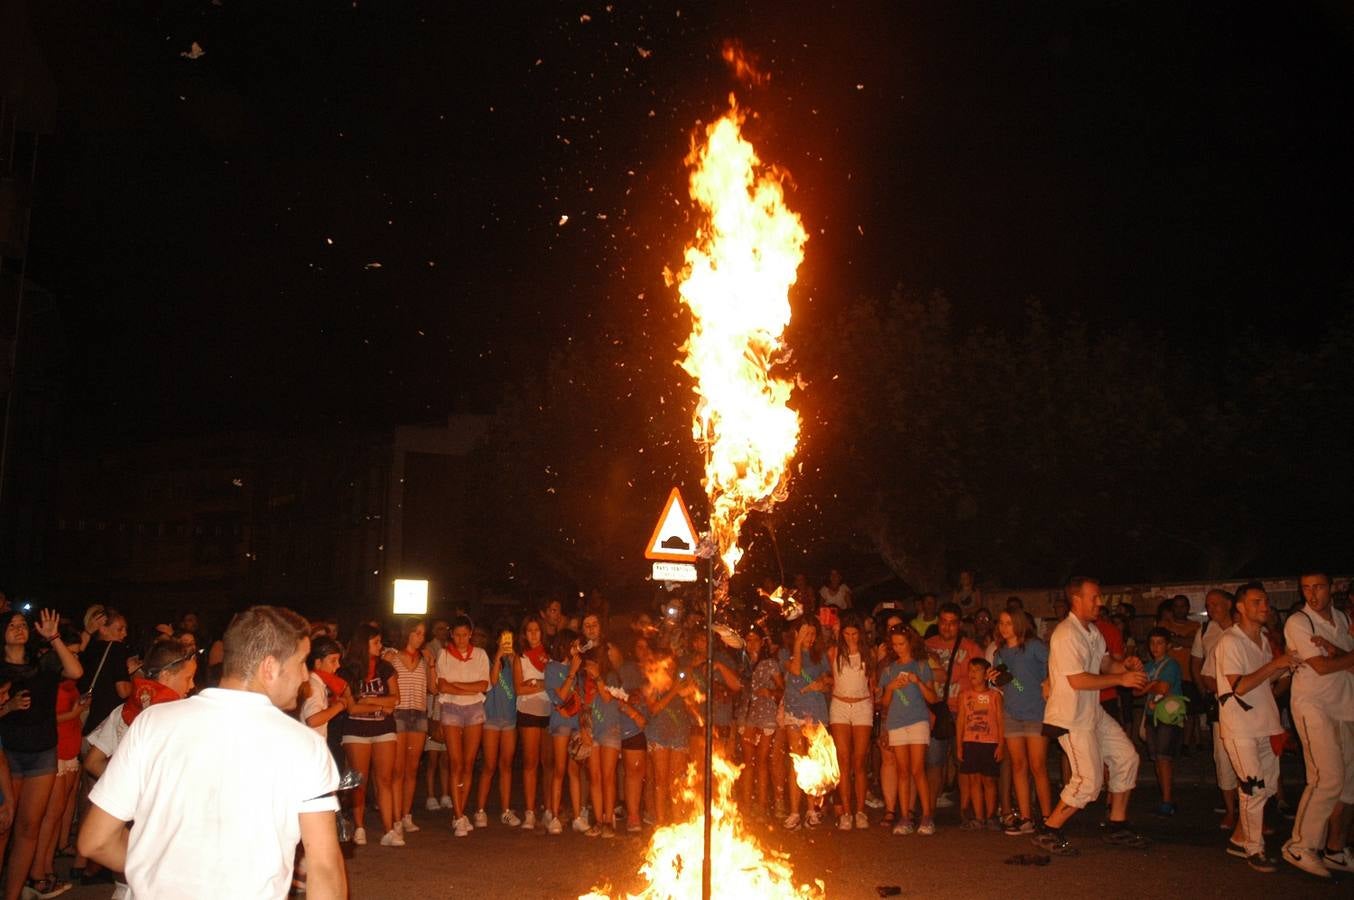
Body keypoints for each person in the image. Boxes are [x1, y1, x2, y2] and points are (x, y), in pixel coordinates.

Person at [78, 607, 342, 900]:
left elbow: (95, 841)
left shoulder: (152, 723)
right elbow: (324, 868)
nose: (306, 676)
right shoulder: (304, 746)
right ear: (269, 667)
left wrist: (161, 873)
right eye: (302, 662)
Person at [1032, 577, 1149, 857]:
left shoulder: (1092, 632)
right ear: (1077, 599)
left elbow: (1103, 662)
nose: (1100, 603)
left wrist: (1124, 666)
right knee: (1089, 780)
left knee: (1127, 758)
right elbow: (1078, 680)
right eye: (1094, 598)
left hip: (1091, 711)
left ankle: (1117, 825)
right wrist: (1121, 678)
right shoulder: (1065, 634)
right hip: (1070, 717)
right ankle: (1049, 830)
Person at [1211, 583, 1301, 872]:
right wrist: (1276, 664)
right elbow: (1240, 685)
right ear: (1240, 607)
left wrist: (1288, 666)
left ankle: (1240, 839)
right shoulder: (1230, 642)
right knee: (1253, 788)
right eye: (1257, 602)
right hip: (1241, 727)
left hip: (1265, 724)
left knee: (1264, 789)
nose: (1265, 607)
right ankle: (1253, 849)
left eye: (1266, 601)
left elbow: (1266, 682)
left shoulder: (1262, 638)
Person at [0, 610, 83, 900]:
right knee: (4, 827)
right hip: (7, 754)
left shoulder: (43, 662)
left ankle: (12, 895)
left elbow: (75, 672)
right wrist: (8, 708)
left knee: (28, 828)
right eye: (12, 625)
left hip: (42, 752)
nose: (19, 629)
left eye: (22, 624)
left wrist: (55, 637)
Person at [1281, 571, 1354, 877]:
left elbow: (1343, 662)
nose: (1312, 594)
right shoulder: (1300, 621)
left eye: (1319, 587)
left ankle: (1335, 850)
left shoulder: (1342, 619)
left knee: (1348, 784)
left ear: (1332, 588)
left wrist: (1342, 653)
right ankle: (1300, 845)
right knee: (1329, 777)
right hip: (1313, 706)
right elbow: (1322, 667)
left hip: (1345, 706)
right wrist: (1343, 656)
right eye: (1306, 588)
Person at [991, 609, 1053, 836]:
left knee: (1037, 765)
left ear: (1018, 624)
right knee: (1018, 765)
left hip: (1035, 712)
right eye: (1001, 623)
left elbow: (1054, 664)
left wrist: (1047, 681)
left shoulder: (1034, 646)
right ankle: (1026, 817)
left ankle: (1048, 818)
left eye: (1008, 623)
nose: (1004, 627)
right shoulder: (999, 653)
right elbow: (1005, 683)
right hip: (1011, 713)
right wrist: (996, 680)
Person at [340, 622, 400, 847]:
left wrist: (368, 700)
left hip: (384, 729)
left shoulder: (386, 668)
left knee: (385, 779)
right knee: (360, 781)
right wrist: (379, 706)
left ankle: (389, 830)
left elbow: (395, 699)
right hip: (356, 730)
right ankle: (360, 827)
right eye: (375, 642)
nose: (380, 645)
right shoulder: (347, 670)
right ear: (362, 645)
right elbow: (352, 707)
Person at [878, 625, 937, 836]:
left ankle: (927, 816)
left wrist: (917, 681)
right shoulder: (888, 670)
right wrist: (892, 687)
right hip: (896, 722)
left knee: (917, 769)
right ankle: (904, 817)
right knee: (902, 771)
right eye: (894, 644)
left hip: (918, 721)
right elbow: (884, 703)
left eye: (901, 643)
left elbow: (933, 698)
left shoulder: (921, 665)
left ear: (910, 642)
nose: (898, 648)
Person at [924, 603, 983, 816]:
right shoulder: (926, 646)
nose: (947, 627)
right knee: (934, 762)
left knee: (963, 762)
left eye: (952, 623)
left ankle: (966, 812)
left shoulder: (971, 648)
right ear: (938, 622)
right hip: (936, 712)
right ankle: (928, 812)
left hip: (963, 712)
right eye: (943, 622)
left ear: (959, 625)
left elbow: (980, 680)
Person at [435, 615, 489, 838]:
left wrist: (455, 686)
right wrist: (469, 688)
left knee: (468, 763)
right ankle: (458, 816)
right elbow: (442, 685)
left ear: (471, 634)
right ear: (451, 635)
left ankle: (461, 812)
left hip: (474, 709)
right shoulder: (444, 654)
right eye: (457, 635)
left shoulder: (480, 655)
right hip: (451, 710)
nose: (461, 639)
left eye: (465, 635)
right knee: (455, 762)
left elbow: (483, 685)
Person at [1192, 588, 1239, 831]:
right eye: (1208, 605)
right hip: (1220, 702)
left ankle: (1251, 813)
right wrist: (1205, 691)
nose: (1211, 609)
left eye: (1216, 604)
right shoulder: (1206, 631)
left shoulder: (1243, 629)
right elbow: (1200, 665)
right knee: (1223, 756)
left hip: (1247, 703)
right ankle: (1231, 810)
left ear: (1230, 604)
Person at [782, 620, 832, 830]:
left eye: (813, 634)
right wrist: (798, 643)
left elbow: (830, 680)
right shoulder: (785, 653)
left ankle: (812, 809)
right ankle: (794, 811)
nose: (810, 639)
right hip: (794, 713)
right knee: (797, 761)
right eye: (806, 634)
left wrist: (821, 684)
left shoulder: (820, 656)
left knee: (813, 761)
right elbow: (795, 670)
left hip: (815, 712)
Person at [828, 616, 873, 831]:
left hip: (863, 706)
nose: (850, 638)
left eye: (854, 634)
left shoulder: (868, 654)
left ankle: (861, 811)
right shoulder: (834, 653)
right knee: (843, 760)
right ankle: (846, 812)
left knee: (860, 761)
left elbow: (872, 682)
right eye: (846, 634)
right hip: (839, 706)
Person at [390, 618, 433, 836]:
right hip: (399, 713)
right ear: (407, 633)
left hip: (419, 713)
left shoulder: (425, 660)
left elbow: (433, 688)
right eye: (416, 633)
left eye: (422, 634)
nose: (420, 637)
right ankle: (396, 817)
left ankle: (406, 815)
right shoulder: (393, 656)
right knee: (398, 769)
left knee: (412, 768)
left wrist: (432, 664)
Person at [475, 622, 520, 828]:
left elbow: (519, 686)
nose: (506, 643)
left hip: (509, 718)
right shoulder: (489, 659)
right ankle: (480, 810)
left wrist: (512, 658)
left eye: (508, 639)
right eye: (503, 639)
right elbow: (493, 681)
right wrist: (498, 657)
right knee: (489, 765)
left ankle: (506, 810)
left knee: (506, 766)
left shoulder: (515, 660)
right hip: (492, 718)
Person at [1140, 627, 1185, 816]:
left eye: (1159, 643)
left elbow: (1163, 688)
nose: (1155, 647)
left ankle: (1167, 800)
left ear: (1168, 645)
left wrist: (1148, 685)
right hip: (1152, 715)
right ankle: (1165, 798)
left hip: (1167, 716)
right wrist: (1152, 685)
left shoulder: (1172, 665)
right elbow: (1138, 689)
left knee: (1164, 758)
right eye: (1152, 643)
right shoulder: (1149, 666)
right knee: (1158, 759)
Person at [544, 629, 584, 835]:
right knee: (559, 769)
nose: (578, 649)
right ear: (564, 645)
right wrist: (571, 673)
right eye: (574, 645)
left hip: (575, 724)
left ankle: (577, 817)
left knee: (573, 771)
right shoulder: (552, 667)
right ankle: (554, 816)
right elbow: (559, 697)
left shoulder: (577, 669)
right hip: (560, 724)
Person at [513, 614, 551, 830]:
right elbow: (519, 688)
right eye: (530, 631)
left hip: (549, 711)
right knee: (530, 762)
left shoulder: (550, 655)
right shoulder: (521, 656)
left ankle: (548, 808)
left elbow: (555, 682)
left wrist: (537, 683)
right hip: (527, 711)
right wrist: (543, 685)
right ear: (524, 634)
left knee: (549, 762)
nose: (534, 634)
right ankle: (529, 811)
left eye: (537, 630)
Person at [957, 658, 1003, 830]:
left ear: (986, 674)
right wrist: (960, 745)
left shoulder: (995, 696)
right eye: (970, 670)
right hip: (970, 741)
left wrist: (1001, 744)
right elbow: (961, 721)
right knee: (974, 780)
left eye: (977, 670)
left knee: (989, 780)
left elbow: (999, 720)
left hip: (989, 742)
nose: (972, 674)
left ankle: (991, 815)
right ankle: (978, 817)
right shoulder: (964, 695)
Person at [739, 627, 780, 818]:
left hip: (766, 715)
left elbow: (783, 690)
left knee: (762, 761)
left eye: (755, 640)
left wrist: (770, 693)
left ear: (762, 642)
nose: (751, 644)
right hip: (747, 715)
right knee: (748, 762)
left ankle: (762, 806)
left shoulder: (769, 664)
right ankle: (747, 805)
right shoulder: (743, 664)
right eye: (748, 640)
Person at [77, 607, 131, 739]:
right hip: (105, 722)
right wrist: (133, 677)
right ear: (103, 629)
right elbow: (123, 690)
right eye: (119, 629)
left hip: (83, 718)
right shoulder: (117, 649)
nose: (124, 634)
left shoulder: (85, 650)